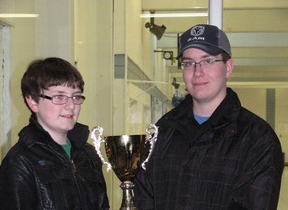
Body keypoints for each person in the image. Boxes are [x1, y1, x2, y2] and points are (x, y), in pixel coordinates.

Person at [134, 24, 284, 210]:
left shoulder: (257, 139)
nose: (197, 72)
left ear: (228, 68)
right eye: (189, 63)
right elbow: (143, 199)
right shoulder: (162, 131)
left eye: (208, 61)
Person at [0, 57, 110, 210]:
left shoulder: (89, 155)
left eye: (76, 96)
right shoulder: (20, 161)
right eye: (59, 97)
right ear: (33, 102)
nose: (71, 105)